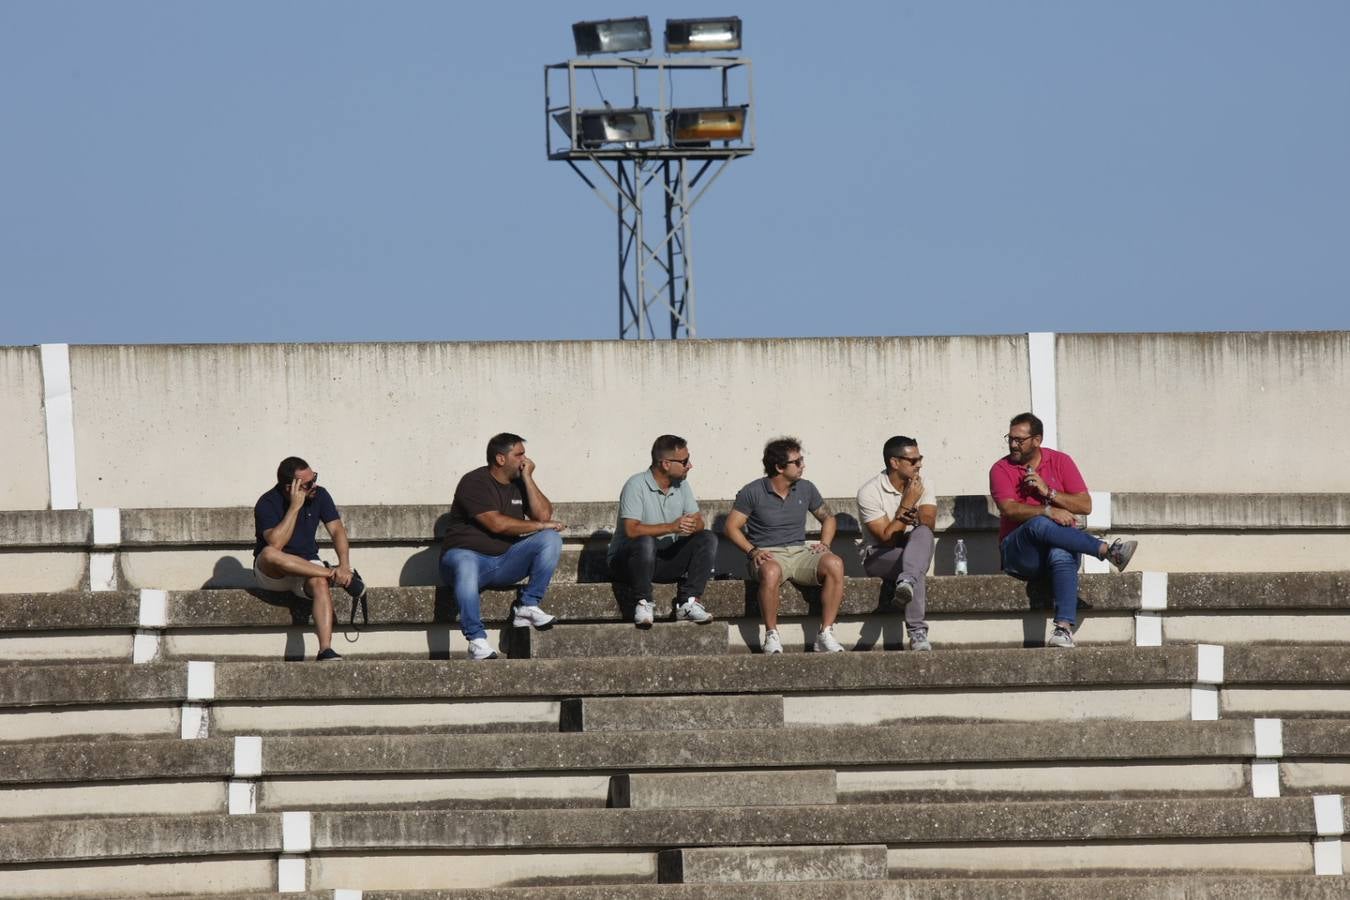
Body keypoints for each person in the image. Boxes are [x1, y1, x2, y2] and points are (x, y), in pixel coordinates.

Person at [990, 412, 1137, 648]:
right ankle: (1106, 549)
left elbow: (1085, 505)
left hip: (1055, 550)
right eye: (1010, 438)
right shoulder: (1000, 469)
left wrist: (1049, 493)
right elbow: (1008, 509)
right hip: (1019, 554)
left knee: (1062, 552)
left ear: (1037, 440)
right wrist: (1047, 511)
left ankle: (1063, 629)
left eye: (1019, 440)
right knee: (1040, 523)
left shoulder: (1060, 461)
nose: (1012, 444)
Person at [440, 433, 563, 660]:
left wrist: (528, 477)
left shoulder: (519, 482)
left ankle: (527, 606)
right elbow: (496, 524)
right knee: (465, 561)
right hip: (466, 561)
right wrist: (540, 524)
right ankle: (476, 640)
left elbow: (544, 515)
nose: (525, 459)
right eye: (519, 455)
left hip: (504, 561)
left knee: (551, 539)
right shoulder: (474, 482)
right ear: (500, 459)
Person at [724, 437, 846, 654]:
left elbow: (828, 518)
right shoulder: (752, 491)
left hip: (800, 552)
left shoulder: (806, 488)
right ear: (779, 467)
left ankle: (825, 634)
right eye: (797, 462)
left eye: (802, 460)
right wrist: (752, 551)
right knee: (770, 571)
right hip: (769, 554)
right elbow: (731, 527)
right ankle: (772, 636)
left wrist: (825, 544)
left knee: (835, 563)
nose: (802, 465)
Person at [252, 456, 365, 661]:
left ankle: (325, 650)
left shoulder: (320, 495)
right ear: (290, 488)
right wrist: (295, 507)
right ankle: (332, 573)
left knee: (319, 583)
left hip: (307, 566)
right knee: (269, 553)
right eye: (308, 484)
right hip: (274, 573)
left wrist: (345, 566)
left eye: (315, 478)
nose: (315, 485)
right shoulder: (267, 503)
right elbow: (275, 545)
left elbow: (337, 530)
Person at [607, 435, 717, 628]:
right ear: (666, 464)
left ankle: (689, 603)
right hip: (628, 563)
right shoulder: (636, 485)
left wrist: (693, 524)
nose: (689, 465)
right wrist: (671, 527)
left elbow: (699, 520)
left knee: (707, 537)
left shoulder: (681, 485)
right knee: (645, 541)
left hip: (663, 560)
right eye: (684, 461)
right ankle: (643, 602)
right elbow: (632, 530)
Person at [856, 435, 936, 651]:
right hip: (879, 555)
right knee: (914, 568)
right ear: (894, 462)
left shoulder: (923, 483)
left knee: (923, 534)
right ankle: (917, 632)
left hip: (912, 549)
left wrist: (915, 517)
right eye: (913, 461)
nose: (919, 464)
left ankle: (906, 582)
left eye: (920, 459)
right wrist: (906, 505)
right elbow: (886, 538)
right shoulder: (869, 492)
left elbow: (929, 522)